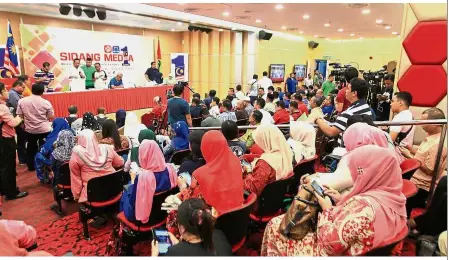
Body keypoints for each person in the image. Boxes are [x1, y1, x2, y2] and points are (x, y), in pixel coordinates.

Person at [262, 145, 407, 256]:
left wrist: (327, 209)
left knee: (275, 227)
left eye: (357, 171)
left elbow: (329, 246)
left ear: (368, 173)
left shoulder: (363, 207)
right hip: (362, 248)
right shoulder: (395, 199)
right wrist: (342, 200)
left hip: (334, 251)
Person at [175, 130, 244, 214]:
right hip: (239, 213)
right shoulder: (237, 162)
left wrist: (182, 186)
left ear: (204, 148)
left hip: (214, 220)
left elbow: (191, 202)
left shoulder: (199, 175)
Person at [398, 108, 447, 217]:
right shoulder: (431, 138)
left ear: (435, 124)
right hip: (416, 180)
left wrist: (409, 156)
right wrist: (411, 149)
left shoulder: (437, 144)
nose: (421, 124)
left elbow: (430, 170)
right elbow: (426, 156)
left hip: (422, 187)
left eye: (424, 122)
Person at [120, 139, 177, 222]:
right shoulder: (170, 169)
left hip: (141, 217)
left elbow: (133, 203)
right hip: (163, 213)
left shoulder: (143, 178)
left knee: (126, 190)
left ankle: (122, 224)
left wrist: (132, 182)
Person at [152, 198, 232, 256]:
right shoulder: (219, 234)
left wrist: (154, 255)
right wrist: (179, 244)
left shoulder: (173, 253)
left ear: (182, 228)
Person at [70, 129, 124, 203]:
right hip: (114, 189)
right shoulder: (107, 148)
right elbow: (120, 163)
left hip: (93, 195)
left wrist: (77, 195)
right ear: (95, 138)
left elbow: (75, 178)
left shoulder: (77, 154)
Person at [314, 78, 371, 147]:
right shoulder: (366, 107)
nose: (346, 91)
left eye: (348, 89)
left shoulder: (349, 113)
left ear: (354, 93)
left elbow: (331, 132)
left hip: (346, 150)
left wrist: (317, 119)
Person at [244, 125, 293, 196]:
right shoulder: (286, 153)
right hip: (276, 197)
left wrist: (248, 172)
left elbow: (253, 189)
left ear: (264, 140)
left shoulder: (265, 163)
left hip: (261, 201)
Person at [17, 83, 54, 171]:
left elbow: (19, 115)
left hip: (30, 129)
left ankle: (31, 166)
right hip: (44, 129)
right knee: (45, 147)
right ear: (42, 92)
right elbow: (51, 116)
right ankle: (44, 166)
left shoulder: (22, 101)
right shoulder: (46, 102)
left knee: (30, 147)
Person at [0, 83, 27, 200]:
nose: (7, 92)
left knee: (2, 166)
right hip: (5, 140)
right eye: (5, 90)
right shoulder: (2, 107)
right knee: (9, 167)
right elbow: (13, 123)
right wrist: (20, 117)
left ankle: (4, 189)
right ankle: (11, 193)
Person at [34, 118, 70, 184]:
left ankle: (44, 178)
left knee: (38, 156)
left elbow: (44, 151)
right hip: (72, 161)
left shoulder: (52, 138)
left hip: (57, 162)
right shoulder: (72, 134)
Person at [389, 91, 415, 161]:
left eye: (393, 101)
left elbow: (390, 140)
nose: (390, 104)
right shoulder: (410, 115)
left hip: (397, 155)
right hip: (404, 155)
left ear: (400, 103)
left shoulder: (400, 117)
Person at [7, 80, 26, 165]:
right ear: (18, 86)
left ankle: (23, 158)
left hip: (18, 119)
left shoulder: (15, 94)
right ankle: (22, 159)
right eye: (23, 87)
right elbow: (18, 107)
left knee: (22, 139)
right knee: (21, 139)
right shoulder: (12, 94)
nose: (24, 89)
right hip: (17, 120)